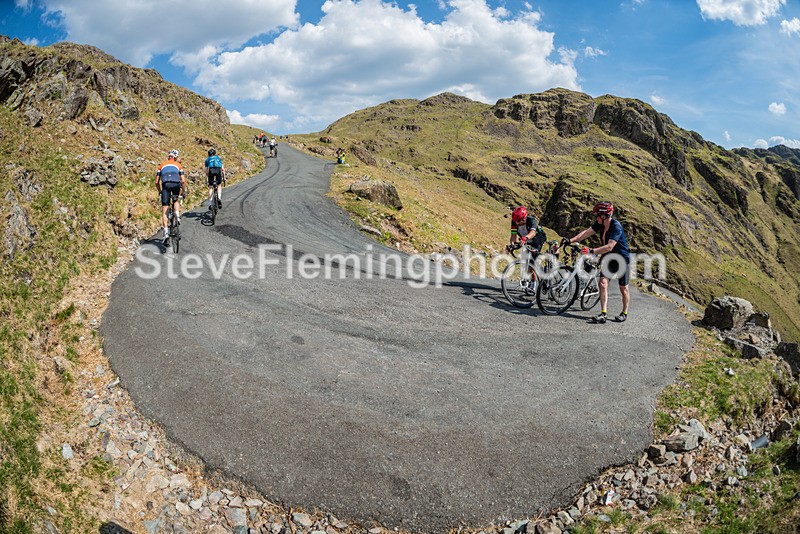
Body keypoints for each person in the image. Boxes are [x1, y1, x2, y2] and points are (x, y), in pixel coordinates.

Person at [561, 201, 630, 323]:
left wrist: (592, 251)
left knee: (623, 288)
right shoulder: (600, 224)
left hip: (621, 259)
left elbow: (610, 246)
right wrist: (570, 240)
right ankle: (603, 314)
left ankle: (624, 312)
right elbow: (586, 233)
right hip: (609, 258)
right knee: (602, 283)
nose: (595, 218)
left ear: (604, 216)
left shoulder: (616, 226)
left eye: (597, 215)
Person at [156, 149, 188, 243]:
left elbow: (157, 182)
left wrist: (160, 192)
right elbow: (183, 181)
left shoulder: (161, 165)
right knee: (175, 200)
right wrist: (183, 192)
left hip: (166, 185)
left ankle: (166, 233)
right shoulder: (178, 165)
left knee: (165, 209)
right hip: (176, 184)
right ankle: (177, 214)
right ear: (175, 157)